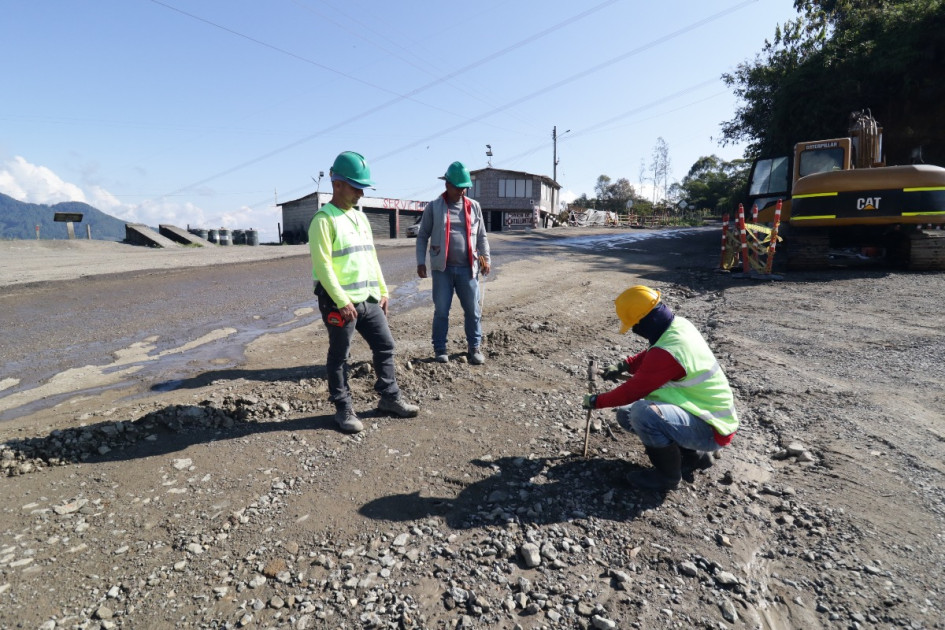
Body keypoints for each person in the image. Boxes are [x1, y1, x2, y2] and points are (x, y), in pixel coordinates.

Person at [582, 286, 738, 490]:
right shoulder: (679, 325)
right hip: (704, 415)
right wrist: (626, 365)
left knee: (642, 414)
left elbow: (633, 390)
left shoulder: (667, 353)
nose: (634, 330)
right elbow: (654, 352)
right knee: (625, 415)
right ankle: (695, 457)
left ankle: (667, 477)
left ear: (644, 320)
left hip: (713, 429)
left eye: (634, 325)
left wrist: (596, 401)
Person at [308, 151, 419, 433]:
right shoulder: (324, 220)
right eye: (356, 187)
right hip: (339, 303)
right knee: (340, 356)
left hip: (369, 299)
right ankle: (343, 409)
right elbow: (323, 267)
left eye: (363, 188)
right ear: (337, 184)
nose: (361, 193)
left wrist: (382, 290)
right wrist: (342, 300)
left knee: (385, 346)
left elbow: (371, 258)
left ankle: (389, 398)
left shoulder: (360, 218)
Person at [416, 161, 491, 364]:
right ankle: (440, 349)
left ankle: (474, 347)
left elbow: (482, 236)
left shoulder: (474, 207)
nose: (462, 190)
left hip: (468, 269)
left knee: (473, 311)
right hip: (443, 270)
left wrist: (487, 259)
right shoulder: (434, 207)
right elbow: (423, 235)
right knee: (441, 311)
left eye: (464, 187)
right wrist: (420, 261)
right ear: (447, 184)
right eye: (458, 187)